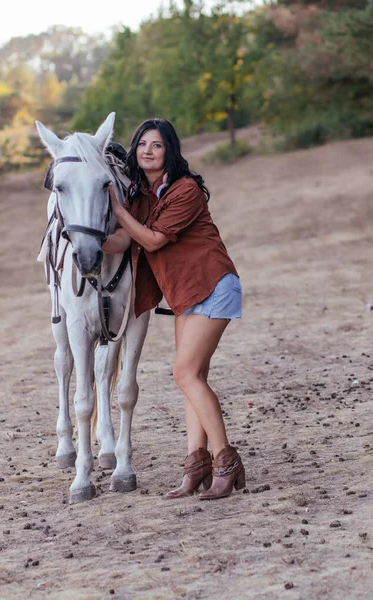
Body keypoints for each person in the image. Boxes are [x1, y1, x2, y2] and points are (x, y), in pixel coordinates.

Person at [102, 118, 245, 500]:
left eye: (157, 145)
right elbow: (120, 241)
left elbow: (149, 239)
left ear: (170, 152)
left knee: (184, 373)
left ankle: (226, 462)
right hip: (185, 295)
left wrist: (118, 211)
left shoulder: (186, 190)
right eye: (142, 144)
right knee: (192, 378)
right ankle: (195, 466)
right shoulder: (139, 197)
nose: (147, 150)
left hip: (213, 286)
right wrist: (83, 239)